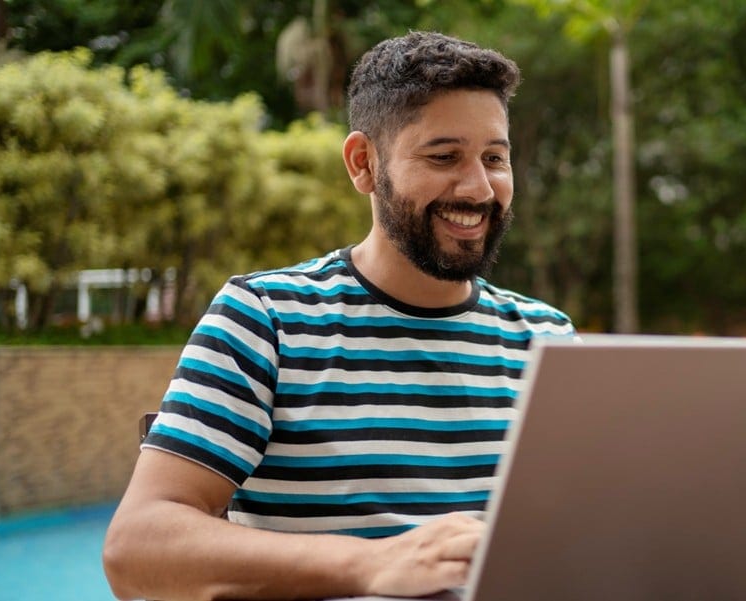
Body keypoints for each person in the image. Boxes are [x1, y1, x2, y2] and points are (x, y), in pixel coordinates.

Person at [102, 31, 575, 601]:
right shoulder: (265, 320)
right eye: (444, 156)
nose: (478, 187)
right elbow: (136, 549)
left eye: (494, 158)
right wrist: (373, 563)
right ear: (363, 164)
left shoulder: (551, 340)